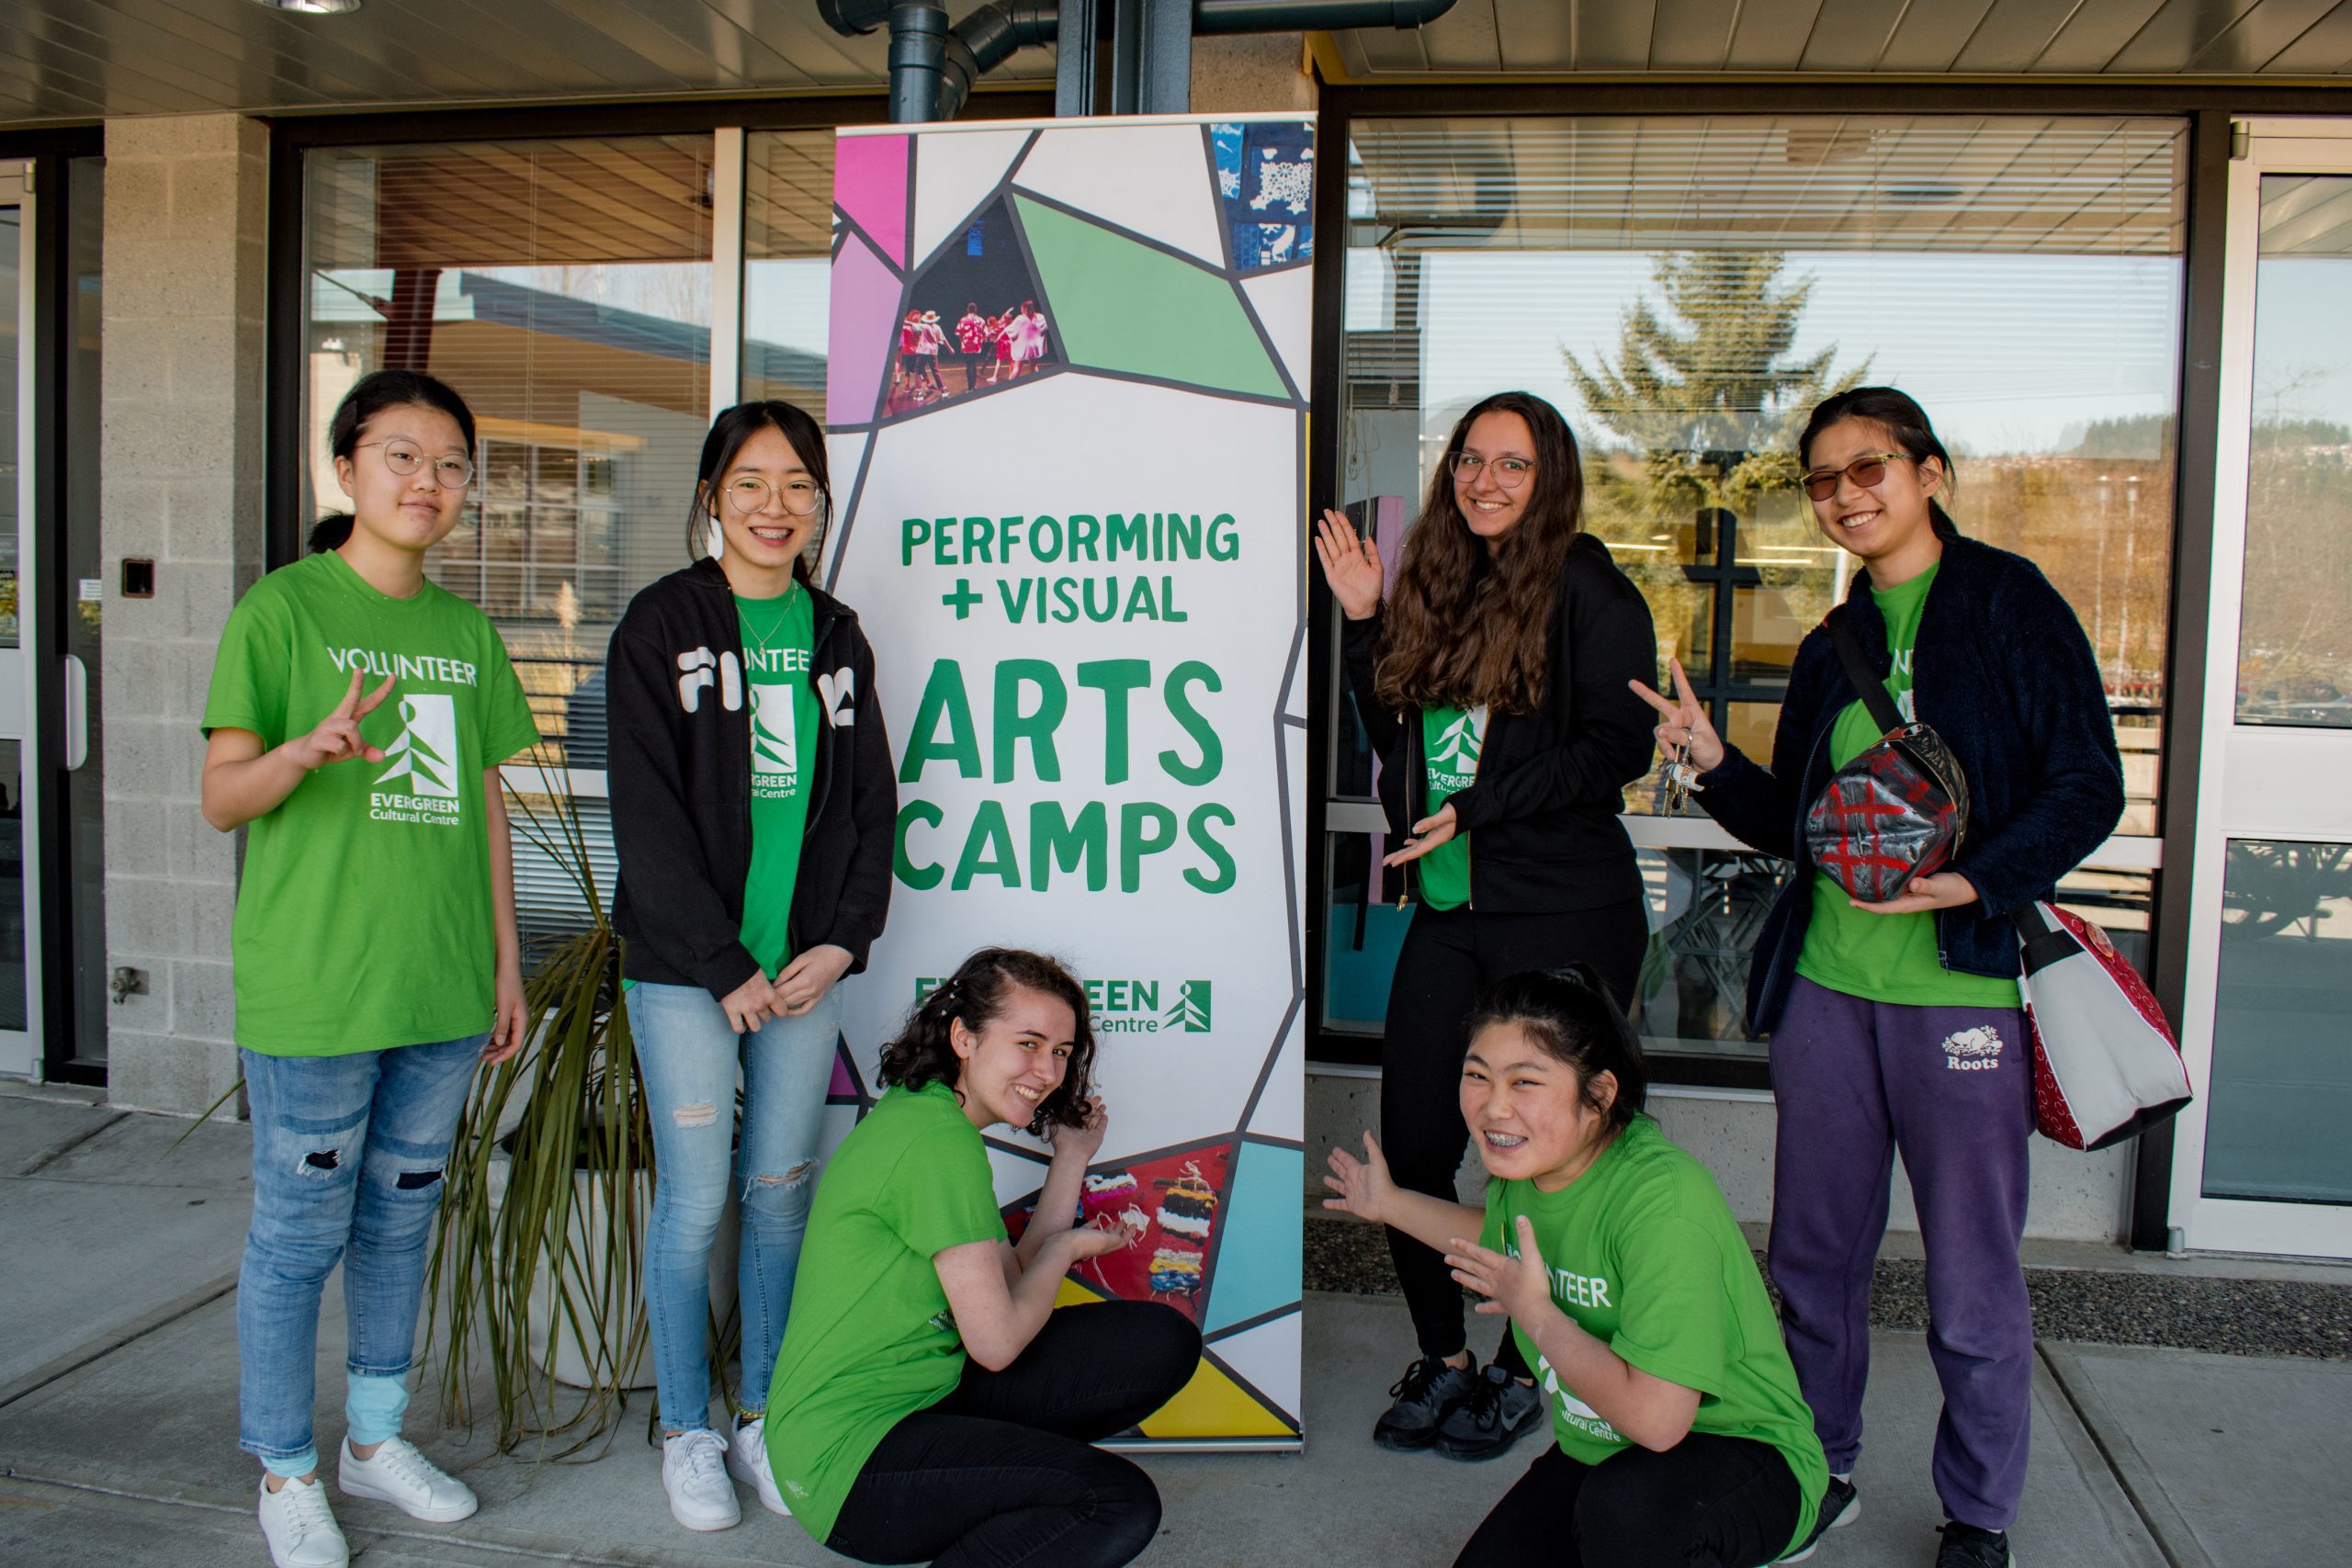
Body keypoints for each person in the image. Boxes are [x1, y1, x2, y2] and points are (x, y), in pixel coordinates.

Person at [1632, 387, 2126, 1568]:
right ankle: (1818, 1469)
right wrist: (1712, 765)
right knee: (1812, 1259)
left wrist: (1975, 883)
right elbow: (1797, 829)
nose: (1845, 495)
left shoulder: (2008, 603)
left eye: (1869, 468)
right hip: (1826, 994)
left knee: (1969, 1280)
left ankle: (1980, 1516)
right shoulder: (1831, 643)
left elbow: (2088, 784)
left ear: (1928, 472)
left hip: (1959, 997)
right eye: (1823, 479)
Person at [200, 369, 539, 1568]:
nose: (427, 481)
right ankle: (286, 1465)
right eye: (402, 455)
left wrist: (507, 965)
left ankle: (374, 1440)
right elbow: (222, 797)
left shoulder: (464, 634)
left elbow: (485, 808)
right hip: (318, 989)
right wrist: (303, 750)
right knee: (298, 1233)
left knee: (401, 1224)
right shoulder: (281, 612)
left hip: (439, 990)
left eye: (450, 464)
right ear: (345, 468)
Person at [1312, 389, 1658, 1461]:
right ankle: (1445, 1356)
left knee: (1542, 1155)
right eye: (1469, 459)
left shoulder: (1589, 589)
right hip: (1452, 910)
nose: (1485, 481)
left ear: (1549, 478)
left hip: (1564, 908)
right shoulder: (1440, 580)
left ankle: (1522, 1364)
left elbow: (1618, 747)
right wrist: (1364, 620)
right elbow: (1398, 741)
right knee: (1417, 1140)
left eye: (1512, 464)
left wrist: (1479, 807)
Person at [605, 399, 897, 1532]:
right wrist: (723, 962)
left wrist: (841, 943)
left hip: (804, 973)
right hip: (692, 973)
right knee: (692, 1205)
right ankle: (686, 1429)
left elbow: (869, 805)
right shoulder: (662, 623)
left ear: (819, 503)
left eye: (797, 486)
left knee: (779, 1197)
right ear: (711, 498)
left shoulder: (836, 635)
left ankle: (764, 1415)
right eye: (750, 484)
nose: (775, 507)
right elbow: (647, 818)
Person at [1325, 966, 1828, 1568]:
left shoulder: (1663, 1203)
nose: (1494, 1106)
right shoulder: (1532, 1167)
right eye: (1477, 1075)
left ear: (1600, 1094)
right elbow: (1495, 1241)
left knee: (1628, 1517)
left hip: (1740, 1448)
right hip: (1605, 1446)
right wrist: (1388, 1203)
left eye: (1525, 1082)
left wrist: (1535, 1314)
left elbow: (1659, 1422)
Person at [765, 947, 1201, 1568]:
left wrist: (1071, 1156)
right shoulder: (936, 1143)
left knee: (1159, 1342)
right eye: (1028, 1043)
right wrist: (1067, 1248)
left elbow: (1009, 1280)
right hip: (849, 1462)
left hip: (927, 1392)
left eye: (1061, 1051)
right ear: (964, 1038)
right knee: (1112, 1503)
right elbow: (997, 1343)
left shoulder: (932, 1116)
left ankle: (999, 1488)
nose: (1048, 1071)